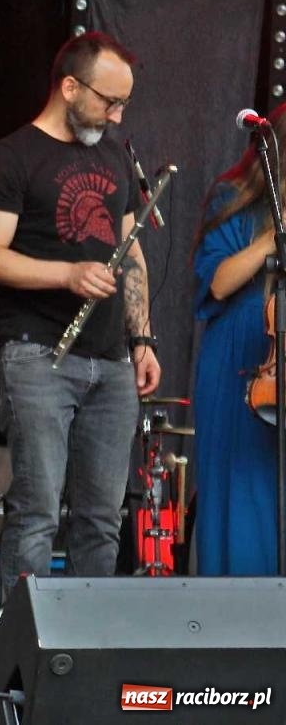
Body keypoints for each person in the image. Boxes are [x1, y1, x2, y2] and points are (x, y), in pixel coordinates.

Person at [0, 30, 162, 600]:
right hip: (37, 352)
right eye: (109, 101)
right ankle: (25, 657)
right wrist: (68, 274)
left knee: (103, 518)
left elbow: (131, 254)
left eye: (125, 103)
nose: (118, 115)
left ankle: (90, 655)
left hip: (111, 359)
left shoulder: (114, 154)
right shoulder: (10, 157)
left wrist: (143, 338)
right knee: (37, 511)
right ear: (70, 86)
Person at [192, 103, 284, 575]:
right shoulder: (234, 200)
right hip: (242, 362)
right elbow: (220, 282)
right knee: (242, 493)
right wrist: (276, 236)